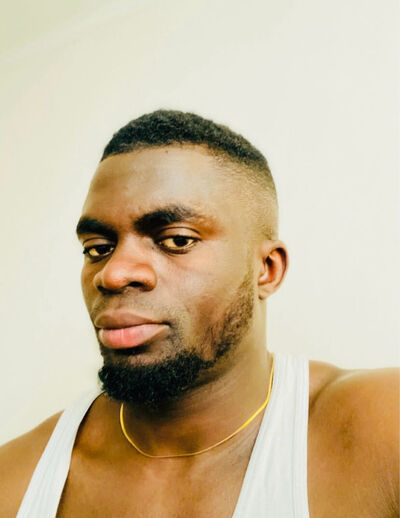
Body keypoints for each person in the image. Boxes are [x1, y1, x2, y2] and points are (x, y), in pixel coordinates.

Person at [0, 110, 398, 518]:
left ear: (266, 269)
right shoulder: (15, 481)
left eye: (176, 240)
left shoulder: (382, 433)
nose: (113, 273)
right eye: (97, 248)